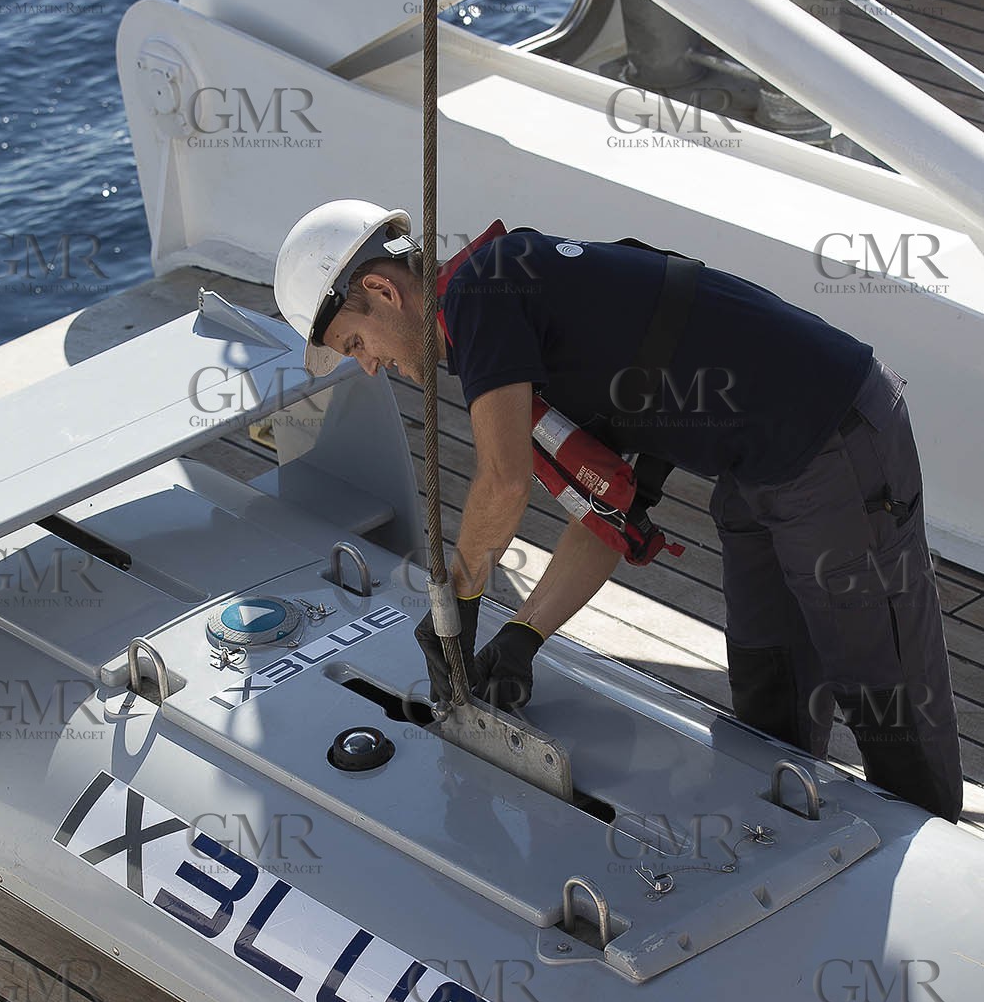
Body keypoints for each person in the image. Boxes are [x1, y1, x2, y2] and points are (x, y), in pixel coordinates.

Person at [273, 198, 963, 823]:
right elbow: (604, 517)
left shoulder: (484, 294)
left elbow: (503, 480)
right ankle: (787, 838)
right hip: (755, 469)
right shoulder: (510, 310)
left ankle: (935, 873)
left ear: (381, 290)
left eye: (357, 344)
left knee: (881, 690)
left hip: (833, 442)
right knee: (768, 681)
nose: (368, 365)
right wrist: (523, 635)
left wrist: (460, 594)